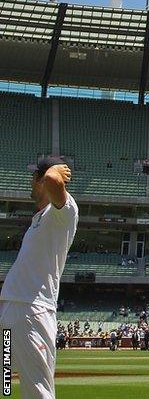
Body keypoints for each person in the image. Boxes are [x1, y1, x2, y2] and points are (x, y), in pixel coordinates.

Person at [0, 156, 76, 399]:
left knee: (38, 392)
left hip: (32, 314)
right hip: (13, 311)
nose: (31, 183)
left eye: (34, 178)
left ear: (40, 180)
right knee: (6, 383)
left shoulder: (63, 213)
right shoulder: (40, 219)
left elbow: (54, 180)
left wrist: (54, 171)